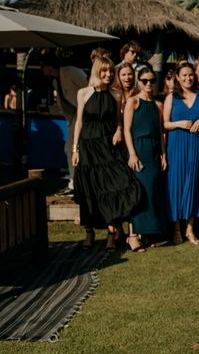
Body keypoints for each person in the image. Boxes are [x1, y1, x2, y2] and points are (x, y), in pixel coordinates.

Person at [71, 56, 144, 250]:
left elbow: (118, 120)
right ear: (97, 71)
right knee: (89, 189)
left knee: (117, 184)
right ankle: (90, 232)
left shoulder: (116, 94)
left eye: (111, 71)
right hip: (88, 147)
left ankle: (113, 231)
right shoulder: (83, 93)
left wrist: (119, 129)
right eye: (104, 71)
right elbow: (79, 122)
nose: (108, 74)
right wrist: (75, 149)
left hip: (108, 146)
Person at [164, 61, 199, 245]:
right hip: (176, 147)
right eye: (184, 75)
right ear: (177, 77)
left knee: (194, 185)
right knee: (176, 185)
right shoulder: (171, 97)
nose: (188, 78)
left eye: (190, 75)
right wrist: (178, 124)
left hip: (197, 146)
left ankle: (190, 229)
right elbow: (165, 124)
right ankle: (177, 229)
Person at [123, 65, 168, 250]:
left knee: (153, 192)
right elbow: (126, 130)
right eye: (144, 81)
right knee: (140, 192)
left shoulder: (158, 105)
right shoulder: (133, 102)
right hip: (138, 150)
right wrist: (132, 154)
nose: (149, 83)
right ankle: (133, 235)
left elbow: (160, 133)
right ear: (139, 82)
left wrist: (164, 155)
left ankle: (149, 233)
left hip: (154, 151)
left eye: (152, 80)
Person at [40, 51, 88, 193]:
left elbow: (87, 86)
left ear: (48, 66)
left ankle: (76, 181)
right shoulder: (56, 81)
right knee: (70, 149)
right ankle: (74, 181)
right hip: (74, 117)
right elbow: (63, 103)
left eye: (42, 67)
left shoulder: (70, 72)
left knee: (75, 148)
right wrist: (50, 110)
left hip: (85, 114)